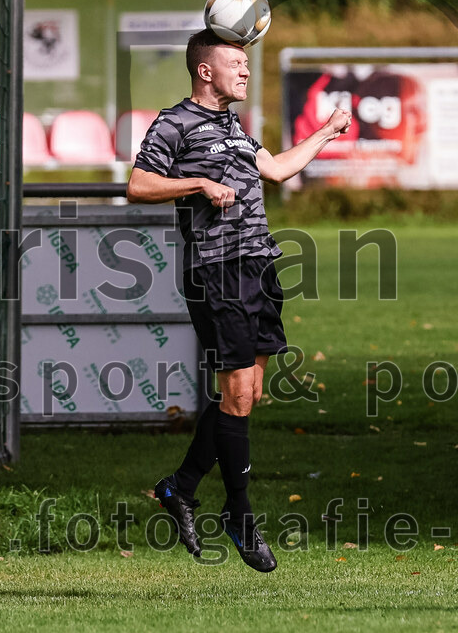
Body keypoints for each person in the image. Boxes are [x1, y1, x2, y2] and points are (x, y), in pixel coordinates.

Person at [127, 28, 351, 573]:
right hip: (216, 270)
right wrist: (199, 184)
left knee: (246, 395)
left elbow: (274, 170)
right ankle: (240, 515)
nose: (246, 72)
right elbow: (137, 184)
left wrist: (323, 133)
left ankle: (179, 488)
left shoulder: (234, 126)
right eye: (236, 63)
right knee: (237, 393)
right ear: (206, 70)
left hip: (258, 265)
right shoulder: (174, 123)